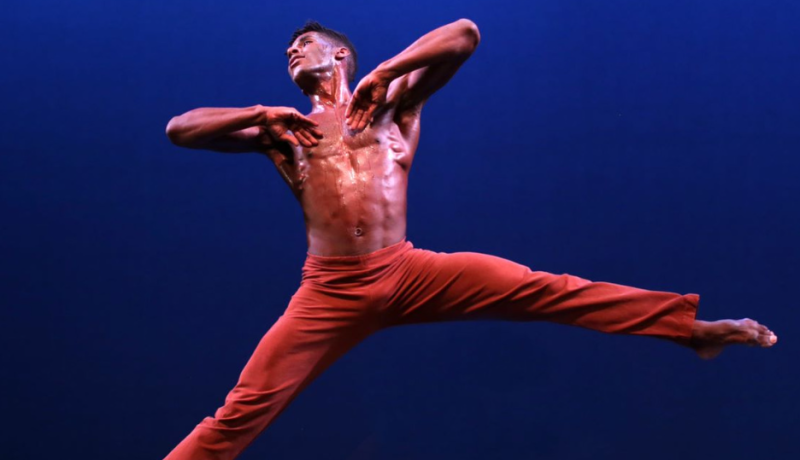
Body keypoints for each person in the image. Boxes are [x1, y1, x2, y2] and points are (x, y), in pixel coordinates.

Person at [163, 19, 778, 460]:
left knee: (547, 289)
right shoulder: (286, 134)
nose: (294, 52)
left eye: (306, 45)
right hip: (331, 289)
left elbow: (465, 34)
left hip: (406, 271)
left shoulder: (390, 105)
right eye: (289, 51)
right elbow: (179, 130)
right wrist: (258, 113)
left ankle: (690, 330)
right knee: (243, 409)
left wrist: (387, 70)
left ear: (340, 55)